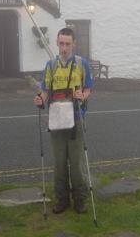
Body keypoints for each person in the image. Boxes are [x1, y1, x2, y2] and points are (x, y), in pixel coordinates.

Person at [33, 27, 93, 214]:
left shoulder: (83, 64)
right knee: (59, 163)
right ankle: (62, 199)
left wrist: (83, 95)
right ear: (57, 43)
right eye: (61, 43)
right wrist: (40, 99)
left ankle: (80, 199)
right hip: (56, 119)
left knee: (76, 163)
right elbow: (46, 90)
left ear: (74, 44)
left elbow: (89, 88)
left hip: (76, 119)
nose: (64, 48)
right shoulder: (50, 65)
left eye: (68, 44)